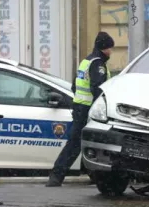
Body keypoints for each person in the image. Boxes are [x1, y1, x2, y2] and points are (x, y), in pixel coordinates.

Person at [46, 31, 114, 187]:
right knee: (79, 143)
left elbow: (74, 86)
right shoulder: (98, 63)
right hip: (88, 110)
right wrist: (102, 108)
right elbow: (97, 88)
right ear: (104, 48)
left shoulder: (87, 61)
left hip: (79, 108)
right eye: (110, 48)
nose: (111, 51)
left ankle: (93, 175)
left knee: (81, 143)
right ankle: (56, 176)